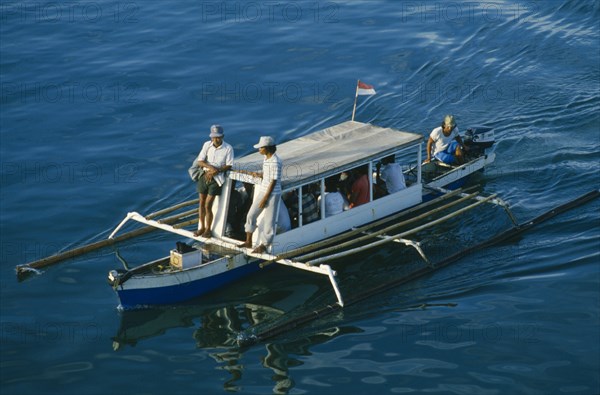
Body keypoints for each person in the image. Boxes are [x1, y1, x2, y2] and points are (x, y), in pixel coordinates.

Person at [239, 136, 283, 254]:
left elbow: (273, 182)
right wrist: (260, 174)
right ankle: (248, 241)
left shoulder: (275, 162)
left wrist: (265, 198)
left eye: (261, 148)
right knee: (251, 214)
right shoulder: (266, 158)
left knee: (269, 221)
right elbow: (269, 176)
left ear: (267, 148)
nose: (259, 150)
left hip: (272, 193)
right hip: (264, 190)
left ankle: (264, 245)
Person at [193, 125, 234, 238]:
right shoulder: (207, 145)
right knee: (201, 203)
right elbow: (200, 161)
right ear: (211, 137)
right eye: (214, 137)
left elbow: (229, 165)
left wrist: (217, 171)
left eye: (218, 137)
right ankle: (201, 228)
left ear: (222, 136)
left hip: (217, 179)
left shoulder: (228, 148)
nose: (216, 139)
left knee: (208, 205)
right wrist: (210, 169)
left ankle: (208, 229)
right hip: (205, 175)